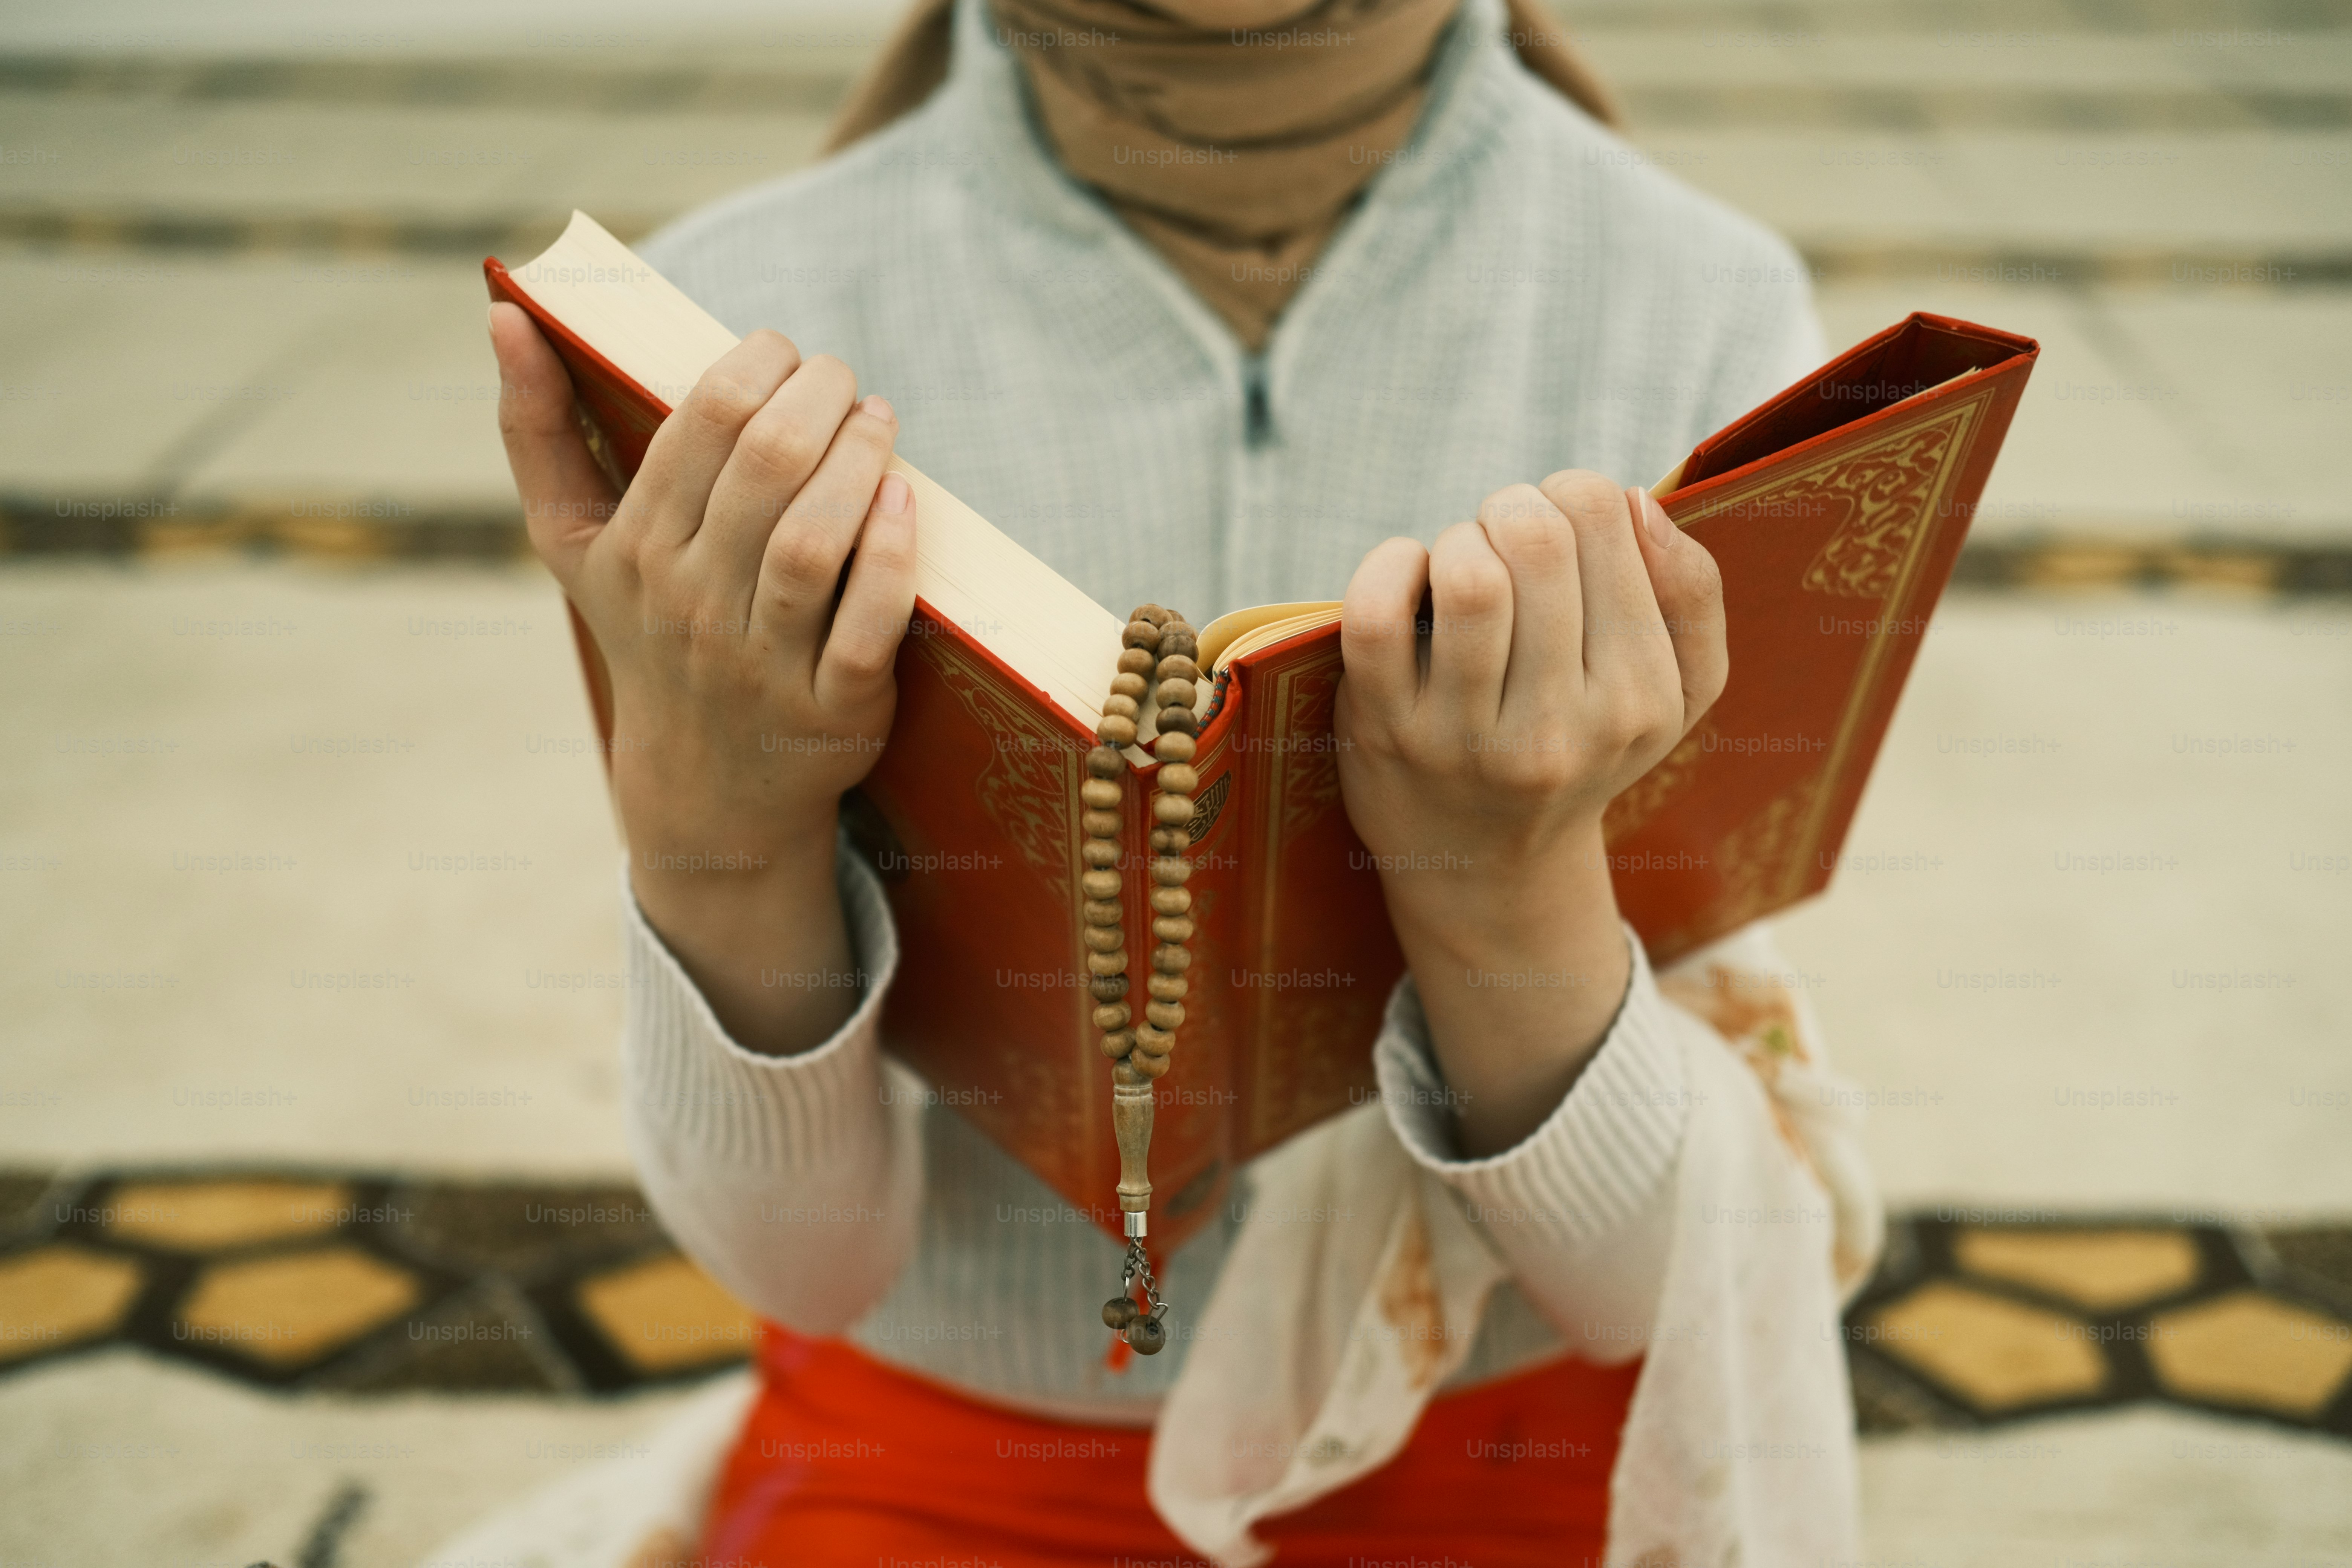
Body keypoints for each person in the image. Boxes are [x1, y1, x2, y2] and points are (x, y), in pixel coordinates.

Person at [482, 0, 1882, 1562]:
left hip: (1518, 1439)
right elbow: (808, 1269)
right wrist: (714, 821)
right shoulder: (735, 328)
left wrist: (1508, 889)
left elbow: (1637, 1291)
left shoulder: (1694, 303)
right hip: (942, 1446)